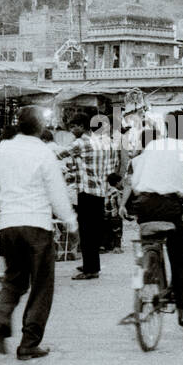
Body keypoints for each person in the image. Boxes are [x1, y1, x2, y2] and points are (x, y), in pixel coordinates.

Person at [0, 106, 77, 360]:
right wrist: (71, 222)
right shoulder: (44, 153)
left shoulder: (2, 149)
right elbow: (57, 193)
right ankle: (29, 342)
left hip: (8, 225)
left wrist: (4, 191)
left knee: (14, 279)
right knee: (41, 284)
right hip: (37, 224)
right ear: (40, 127)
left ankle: (1, 320)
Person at [119, 115, 183, 328]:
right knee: (180, 257)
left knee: (150, 244)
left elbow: (136, 180)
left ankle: (148, 275)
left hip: (143, 205)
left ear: (166, 129)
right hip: (169, 206)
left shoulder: (152, 147)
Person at [59, 115, 115, 280]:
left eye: (73, 127)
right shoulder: (108, 143)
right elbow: (111, 167)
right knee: (94, 232)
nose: (71, 131)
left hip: (87, 193)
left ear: (82, 126)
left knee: (86, 231)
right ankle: (92, 264)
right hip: (100, 192)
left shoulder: (81, 143)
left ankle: (90, 269)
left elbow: (60, 155)